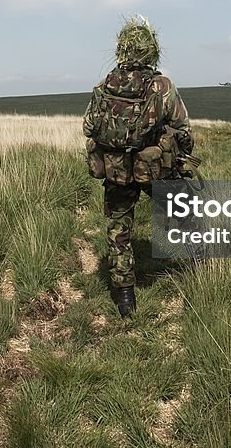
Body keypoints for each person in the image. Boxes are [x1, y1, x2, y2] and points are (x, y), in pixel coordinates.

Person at [82, 17, 194, 317]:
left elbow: (89, 126)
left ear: (122, 50)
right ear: (151, 51)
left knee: (119, 228)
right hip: (153, 168)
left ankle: (125, 297)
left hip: (116, 170)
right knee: (181, 210)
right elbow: (183, 129)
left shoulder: (105, 84)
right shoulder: (163, 86)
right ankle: (196, 267)